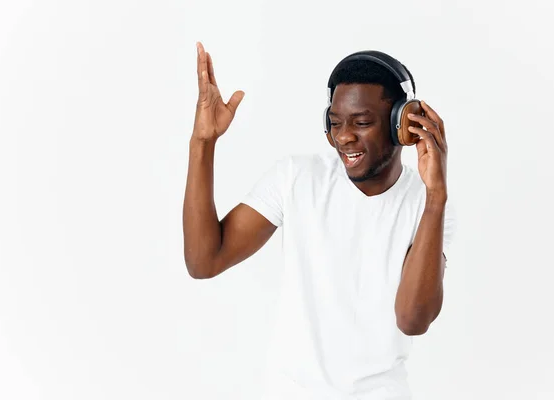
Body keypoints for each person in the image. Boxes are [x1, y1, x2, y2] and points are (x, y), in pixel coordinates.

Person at [183, 41, 456, 400]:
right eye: (335, 123)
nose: (343, 136)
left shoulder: (427, 205)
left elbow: (413, 320)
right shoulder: (296, 177)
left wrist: (435, 197)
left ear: (401, 126)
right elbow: (205, 261)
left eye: (361, 122)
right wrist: (202, 142)